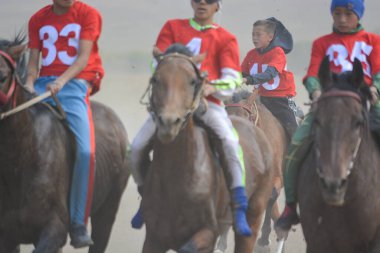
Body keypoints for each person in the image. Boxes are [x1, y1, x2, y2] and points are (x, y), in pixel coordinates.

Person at [130, 0, 252, 236]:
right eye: (197, 0)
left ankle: (239, 206)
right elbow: (156, 63)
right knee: (135, 147)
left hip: (209, 104)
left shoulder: (226, 38)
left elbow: (233, 79)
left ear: (217, 6)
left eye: (208, 0)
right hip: (172, 104)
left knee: (230, 142)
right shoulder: (172, 27)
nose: (202, 4)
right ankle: (146, 199)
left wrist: (209, 88)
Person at [275, 0, 380, 232]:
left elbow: (379, 71)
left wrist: (376, 87)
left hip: (366, 101)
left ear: (358, 15)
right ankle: (290, 207)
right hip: (329, 102)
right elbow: (312, 73)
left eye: (348, 14)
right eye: (337, 13)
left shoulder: (373, 41)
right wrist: (314, 90)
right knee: (296, 144)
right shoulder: (322, 43)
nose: (342, 19)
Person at [25, 0, 104, 248]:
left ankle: (79, 222)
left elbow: (83, 58)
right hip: (40, 86)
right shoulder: (37, 19)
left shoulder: (89, 14)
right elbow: (33, 64)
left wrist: (61, 81)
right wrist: (28, 84)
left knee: (85, 151)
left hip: (73, 85)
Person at [241, 17, 298, 141]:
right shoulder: (251, 54)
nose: (254, 38)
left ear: (270, 37)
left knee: (294, 133)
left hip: (280, 101)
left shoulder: (278, 52)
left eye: (258, 35)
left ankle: (297, 158)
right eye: (253, 34)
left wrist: (247, 80)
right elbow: (241, 73)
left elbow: (269, 74)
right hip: (259, 99)